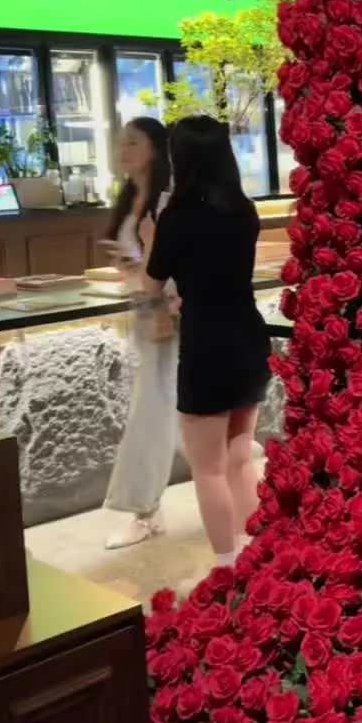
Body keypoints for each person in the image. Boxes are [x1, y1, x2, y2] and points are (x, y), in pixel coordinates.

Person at [143, 116, 270, 570]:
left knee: (209, 468)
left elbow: (151, 283)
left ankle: (226, 566)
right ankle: (259, 559)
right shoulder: (244, 210)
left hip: (206, 344)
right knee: (239, 459)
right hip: (249, 337)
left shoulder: (177, 217)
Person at [102, 117, 178, 550]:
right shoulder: (131, 198)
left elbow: (170, 264)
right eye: (121, 143)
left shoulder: (167, 199)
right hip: (144, 314)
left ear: (155, 148)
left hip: (166, 317)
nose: (123, 150)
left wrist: (158, 298)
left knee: (152, 412)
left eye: (133, 142)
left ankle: (144, 511)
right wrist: (128, 265)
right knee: (163, 411)